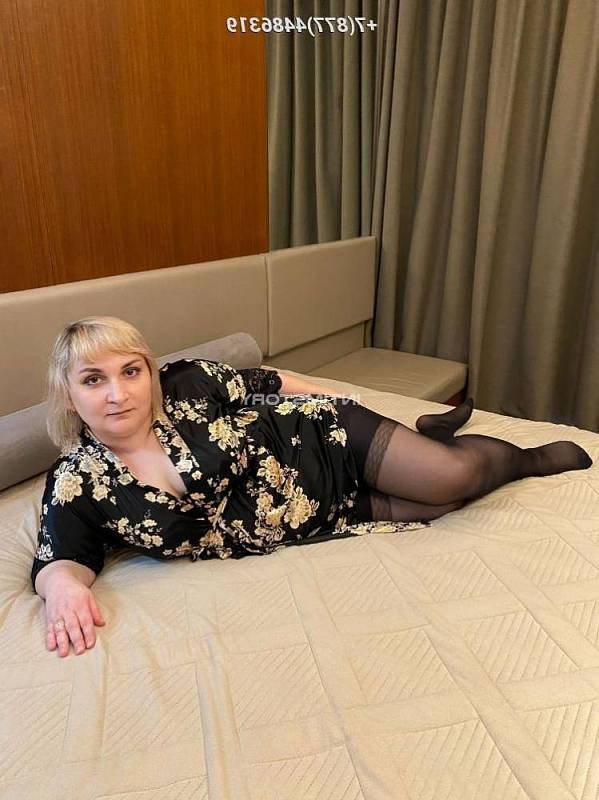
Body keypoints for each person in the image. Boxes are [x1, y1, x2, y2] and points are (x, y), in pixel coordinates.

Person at [32, 316, 593, 659]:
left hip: (323, 439)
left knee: (454, 477)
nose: (118, 394)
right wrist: (62, 590)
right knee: (442, 504)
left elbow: (269, 382)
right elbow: (61, 557)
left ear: (149, 372)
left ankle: (530, 458)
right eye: (93, 380)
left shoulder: (186, 386)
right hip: (314, 513)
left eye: (131, 371)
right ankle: (436, 434)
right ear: (68, 394)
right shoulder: (79, 482)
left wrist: (343, 404)